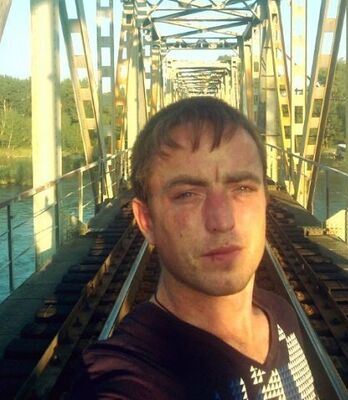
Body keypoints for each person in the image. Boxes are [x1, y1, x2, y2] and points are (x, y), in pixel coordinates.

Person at [69, 97, 317, 399]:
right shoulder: (124, 374)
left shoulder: (281, 315)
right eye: (187, 194)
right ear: (146, 221)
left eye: (242, 188)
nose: (222, 221)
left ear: (266, 200)